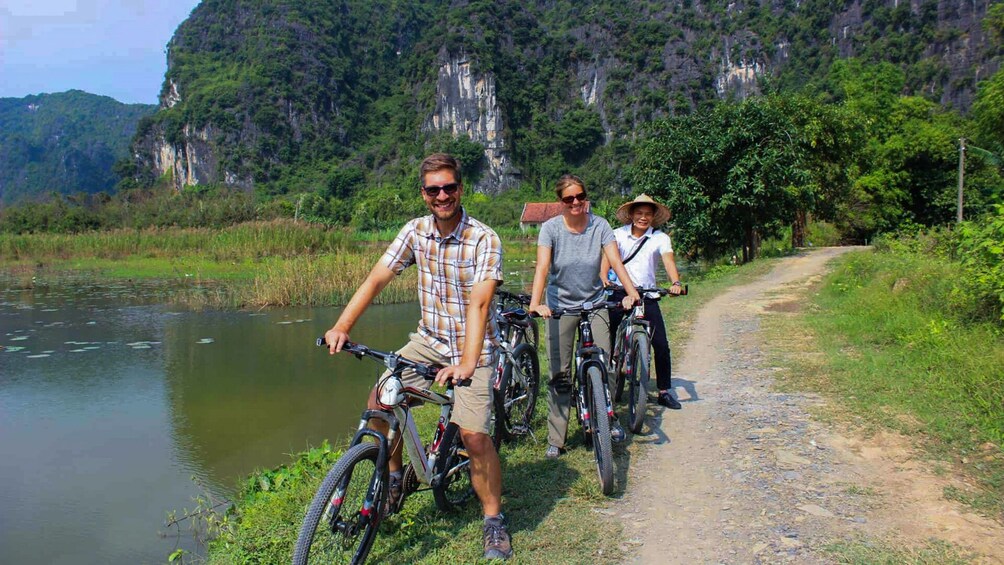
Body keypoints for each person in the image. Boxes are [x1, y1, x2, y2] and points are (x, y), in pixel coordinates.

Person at [323, 153, 512, 560]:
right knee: (381, 401)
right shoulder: (415, 231)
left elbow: (480, 305)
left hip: (473, 347)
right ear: (424, 194)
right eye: (433, 189)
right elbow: (377, 277)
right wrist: (342, 326)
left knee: (475, 436)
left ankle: (493, 519)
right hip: (428, 340)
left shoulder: (484, 238)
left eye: (449, 187)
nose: (442, 195)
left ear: (461, 189)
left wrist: (466, 363)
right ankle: (393, 478)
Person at [528, 174, 641, 459]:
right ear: (561, 202)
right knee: (560, 374)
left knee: (606, 364)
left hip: (595, 304)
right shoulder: (551, 229)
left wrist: (631, 292)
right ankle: (557, 438)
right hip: (560, 307)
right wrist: (536, 304)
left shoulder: (599, 225)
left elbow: (615, 260)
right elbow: (542, 268)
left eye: (580, 196)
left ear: (585, 197)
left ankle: (608, 418)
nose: (576, 202)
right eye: (569, 199)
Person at [601, 194, 684, 410]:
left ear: (654, 216)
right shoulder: (617, 235)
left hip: (648, 295)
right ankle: (603, 385)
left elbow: (668, 261)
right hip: (620, 293)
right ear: (631, 215)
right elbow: (607, 260)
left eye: (648, 214)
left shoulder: (660, 238)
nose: (643, 217)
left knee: (661, 345)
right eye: (639, 213)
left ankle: (664, 390)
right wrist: (603, 279)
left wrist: (675, 282)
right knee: (606, 339)